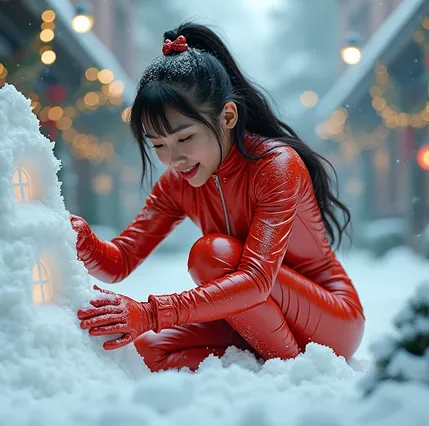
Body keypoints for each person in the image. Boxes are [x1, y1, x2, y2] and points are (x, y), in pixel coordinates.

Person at [70, 22, 365, 372]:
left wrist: (151, 313)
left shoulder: (276, 166)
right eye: (159, 146)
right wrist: (77, 236)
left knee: (211, 255)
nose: (174, 159)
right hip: (253, 316)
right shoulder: (178, 182)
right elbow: (119, 262)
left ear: (227, 115)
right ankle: (263, 364)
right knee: (146, 350)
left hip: (330, 321)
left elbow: (256, 281)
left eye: (184, 138)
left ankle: (292, 371)